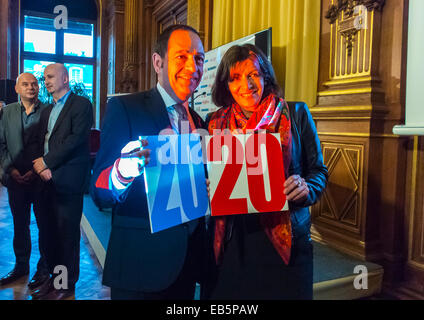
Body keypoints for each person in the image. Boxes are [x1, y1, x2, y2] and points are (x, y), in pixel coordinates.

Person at [90, 24, 208, 300]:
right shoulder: (125, 109)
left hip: (188, 266)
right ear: (158, 62)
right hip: (140, 265)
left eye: (199, 59)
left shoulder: (201, 122)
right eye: (182, 56)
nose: (193, 67)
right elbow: (99, 192)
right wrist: (123, 171)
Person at [204, 44, 328, 299]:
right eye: (235, 78)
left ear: (266, 77)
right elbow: (205, 178)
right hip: (232, 243)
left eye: (253, 75)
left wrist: (306, 188)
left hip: (286, 242)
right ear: (225, 84)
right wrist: (207, 186)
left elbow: (318, 172)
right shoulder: (214, 122)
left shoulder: (295, 114)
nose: (246, 85)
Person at [30, 63, 93, 300]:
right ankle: (53, 281)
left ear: (65, 78)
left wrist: (46, 162)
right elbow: (40, 139)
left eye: (50, 77)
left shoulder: (81, 104)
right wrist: (41, 167)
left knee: (67, 236)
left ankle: (65, 286)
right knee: (50, 235)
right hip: (46, 181)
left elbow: (75, 140)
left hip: (68, 181)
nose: (46, 81)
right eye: (44, 77)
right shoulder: (48, 109)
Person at [0, 73, 50, 289]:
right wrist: (10, 170)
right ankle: (21, 266)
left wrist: (34, 169)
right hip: (15, 180)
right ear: (17, 89)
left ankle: (44, 269)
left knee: (44, 225)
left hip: (40, 179)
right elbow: (1, 143)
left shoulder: (48, 110)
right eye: (26, 84)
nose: (31, 87)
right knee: (20, 225)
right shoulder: (7, 111)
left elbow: (51, 143)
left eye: (34, 84)